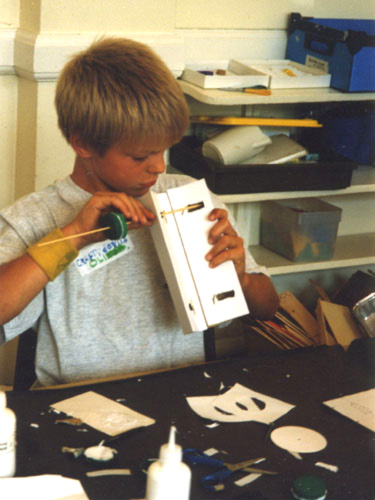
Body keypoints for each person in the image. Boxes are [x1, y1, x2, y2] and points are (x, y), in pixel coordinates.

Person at [0, 38, 279, 387]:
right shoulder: (36, 217)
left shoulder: (187, 197)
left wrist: (242, 279)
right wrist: (71, 237)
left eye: (164, 150)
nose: (159, 167)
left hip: (179, 398)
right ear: (83, 143)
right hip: (73, 407)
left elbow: (268, 309)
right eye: (139, 157)